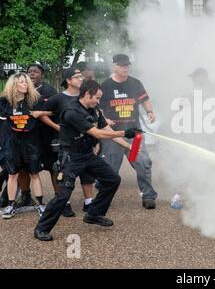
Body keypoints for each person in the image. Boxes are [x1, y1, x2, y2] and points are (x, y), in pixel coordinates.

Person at [34, 80, 137, 241]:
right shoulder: (72, 111)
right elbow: (97, 134)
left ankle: (94, 214)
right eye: (96, 97)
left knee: (112, 179)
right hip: (70, 157)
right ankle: (41, 229)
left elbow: (106, 130)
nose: (98, 101)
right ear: (87, 94)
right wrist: (124, 133)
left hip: (87, 155)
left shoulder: (95, 110)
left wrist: (129, 146)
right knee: (63, 195)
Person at [100, 54, 158, 209]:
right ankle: (103, 198)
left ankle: (148, 196)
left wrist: (150, 112)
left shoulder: (135, 83)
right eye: (122, 65)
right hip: (113, 136)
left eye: (127, 65)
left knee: (142, 163)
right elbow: (97, 108)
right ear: (114, 67)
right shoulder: (105, 86)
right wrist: (104, 119)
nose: (125, 68)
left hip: (133, 135)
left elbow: (145, 100)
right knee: (110, 169)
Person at [39, 68, 96, 215]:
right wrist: (58, 127)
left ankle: (89, 202)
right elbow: (42, 114)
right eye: (77, 77)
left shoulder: (86, 96)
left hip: (86, 142)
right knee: (63, 172)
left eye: (82, 76)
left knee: (87, 172)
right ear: (68, 80)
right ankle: (65, 203)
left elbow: (94, 118)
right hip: (66, 144)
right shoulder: (57, 98)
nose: (81, 79)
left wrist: (96, 141)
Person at [0, 73, 51, 219]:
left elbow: (54, 110)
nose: (25, 85)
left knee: (34, 174)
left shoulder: (35, 100)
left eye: (26, 82)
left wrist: (40, 112)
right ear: (13, 85)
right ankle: (10, 205)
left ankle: (41, 204)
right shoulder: (4, 101)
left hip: (31, 142)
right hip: (12, 143)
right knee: (12, 174)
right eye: (22, 82)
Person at [14, 64, 58, 210]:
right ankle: (26, 196)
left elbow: (56, 110)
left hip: (46, 135)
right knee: (23, 168)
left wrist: (41, 113)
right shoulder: (19, 91)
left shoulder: (49, 91)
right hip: (26, 137)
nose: (32, 74)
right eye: (29, 72)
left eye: (36, 72)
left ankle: (60, 200)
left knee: (54, 167)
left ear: (42, 75)